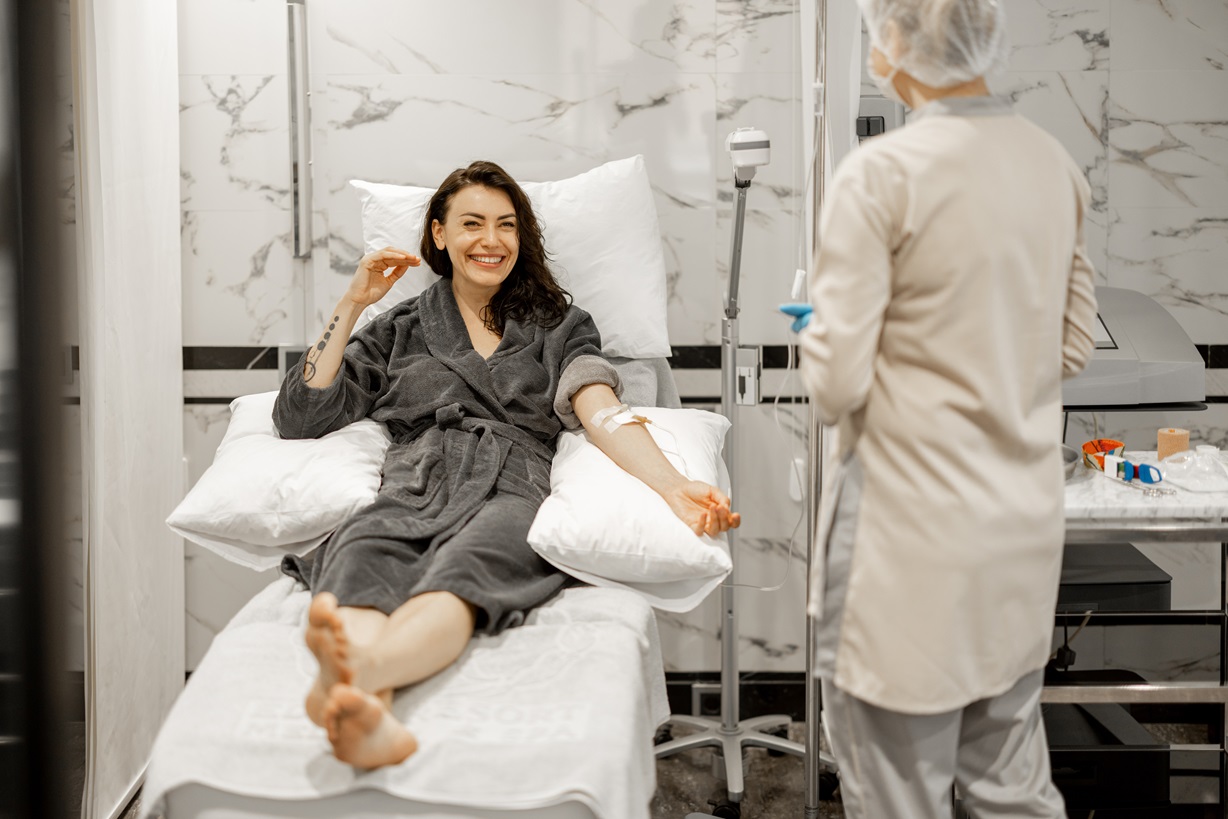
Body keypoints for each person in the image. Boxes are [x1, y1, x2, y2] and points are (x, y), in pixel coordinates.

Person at [273, 160, 740, 769]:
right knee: (362, 550)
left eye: (506, 226)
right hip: (415, 481)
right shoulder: (399, 328)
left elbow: (600, 410)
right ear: (439, 235)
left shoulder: (559, 327)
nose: (491, 241)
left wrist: (675, 485)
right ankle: (367, 712)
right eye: (472, 224)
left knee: (470, 569)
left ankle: (357, 676)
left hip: (512, 487)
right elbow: (301, 416)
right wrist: (353, 301)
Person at [798, 1, 1097, 816]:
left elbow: (834, 385)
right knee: (1011, 787)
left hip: (906, 556)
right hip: (1017, 544)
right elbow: (1070, 346)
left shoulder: (881, 175)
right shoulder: (1052, 163)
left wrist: (819, 325)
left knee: (901, 797)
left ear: (897, 36)